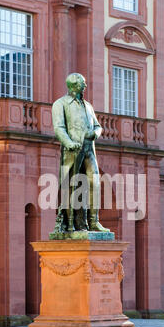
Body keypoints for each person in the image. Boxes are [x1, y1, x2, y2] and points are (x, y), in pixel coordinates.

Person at [51, 73, 110, 233]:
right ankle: (72, 224)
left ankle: (94, 221)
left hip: (89, 149)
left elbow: (98, 126)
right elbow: (59, 128)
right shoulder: (60, 104)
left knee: (94, 183)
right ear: (73, 85)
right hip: (72, 151)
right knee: (72, 186)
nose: (85, 86)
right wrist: (69, 143)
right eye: (82, 83)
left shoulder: (88, 106)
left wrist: (96, 134)